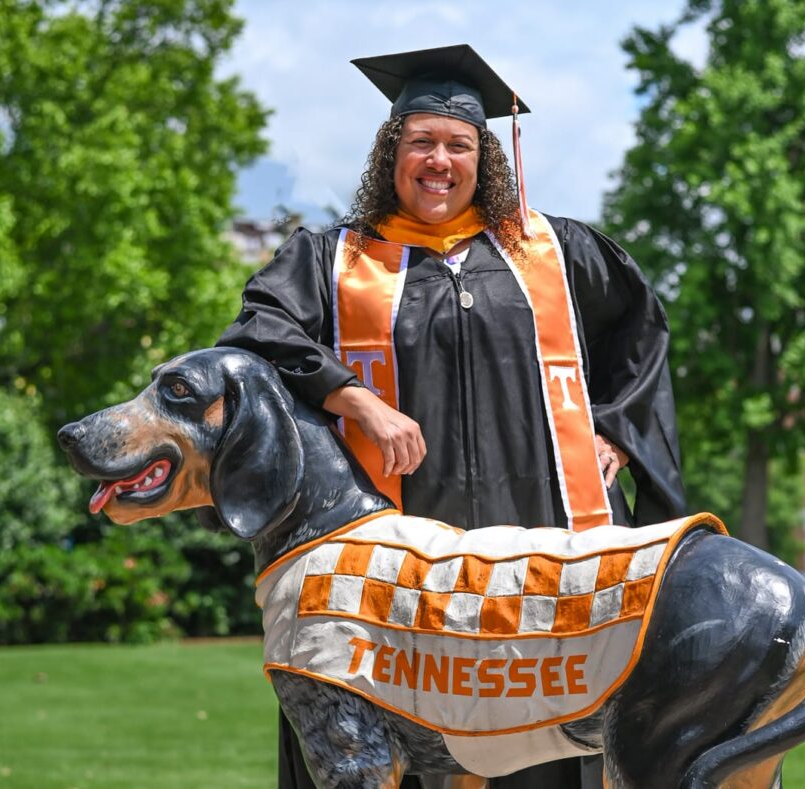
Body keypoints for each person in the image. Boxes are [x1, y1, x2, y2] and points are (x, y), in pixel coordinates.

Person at [218, 44, 685, 789]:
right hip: (403, 556)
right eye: (422, 142)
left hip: (543, 532)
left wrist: (614, 432)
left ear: (484, 157)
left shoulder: (553, 251)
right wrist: (354, 395)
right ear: (391, 152)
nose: (439, 161)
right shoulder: (332, 260)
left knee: (553, 735)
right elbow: (254, 332)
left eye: (458, 145)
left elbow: (642, 330)